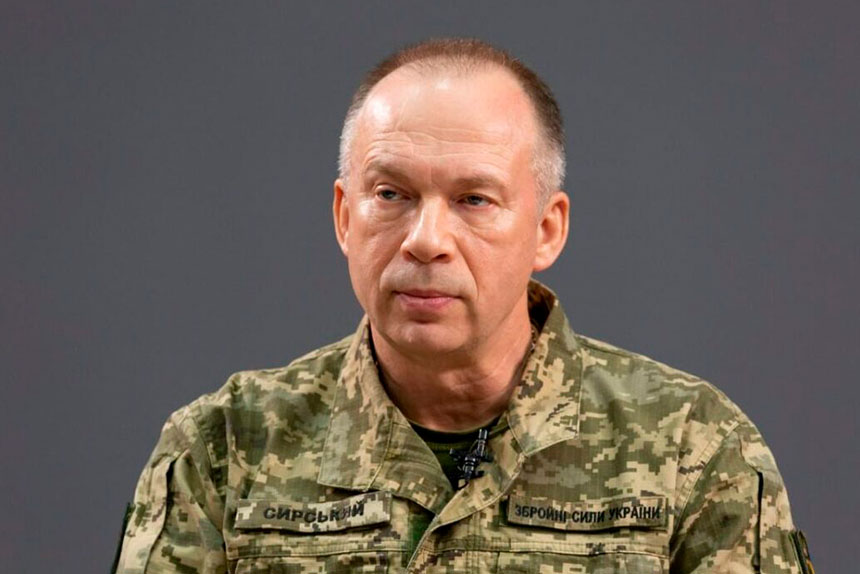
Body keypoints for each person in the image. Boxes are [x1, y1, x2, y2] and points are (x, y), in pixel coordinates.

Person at [114, 38, 814, 574]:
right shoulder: (224, 450)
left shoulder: (692, 448)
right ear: (344, 217)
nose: (426, 240)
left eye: (474, 200)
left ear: (547, 230)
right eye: (391, 194)